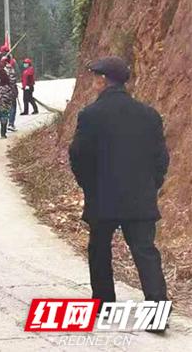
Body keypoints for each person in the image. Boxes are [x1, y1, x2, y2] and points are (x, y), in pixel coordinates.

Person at [69, 57, 170, 331]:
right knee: (145, 251)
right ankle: (158, 312)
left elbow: (78, 156)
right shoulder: (149, 115)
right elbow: (161, 158)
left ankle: (104, 305)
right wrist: (151, 185)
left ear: (103, 81)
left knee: (99, 249)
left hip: (102, 197)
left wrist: (88, 186)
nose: (93, 83)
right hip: (140, 197)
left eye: (95, 79)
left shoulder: (90, 115)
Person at [0, 54, 16, 139]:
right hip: (6, 92)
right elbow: (12, 82)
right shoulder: (10, 69)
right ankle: (3, 133)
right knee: (4, 112)